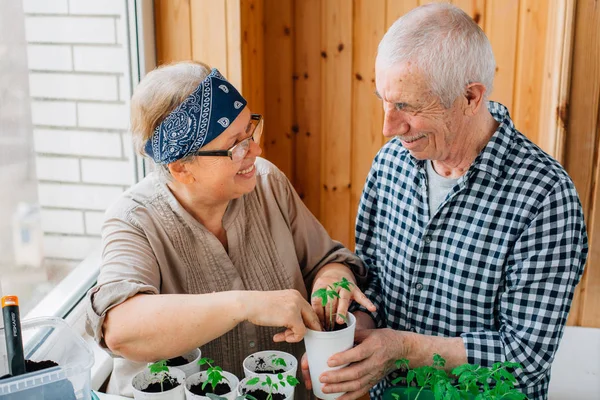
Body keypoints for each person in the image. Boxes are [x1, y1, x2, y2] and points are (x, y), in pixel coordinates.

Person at [304, 4, 588, 400]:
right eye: (384, 101)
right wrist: (358, 334)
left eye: (407, 106)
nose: (388, 127)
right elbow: (372, 283)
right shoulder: (390, 163)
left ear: (471, 97)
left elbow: (523, 359)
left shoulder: (545, 197)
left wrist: (403, 349)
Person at [85, 61, 375, 398]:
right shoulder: (133, 220)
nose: (256, 149)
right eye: (237, 144)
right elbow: (121, 330)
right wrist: (245, 305)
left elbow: (326, 260)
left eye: (251, 129)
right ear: (181, 168)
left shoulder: (267, 183)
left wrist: (331, 279)